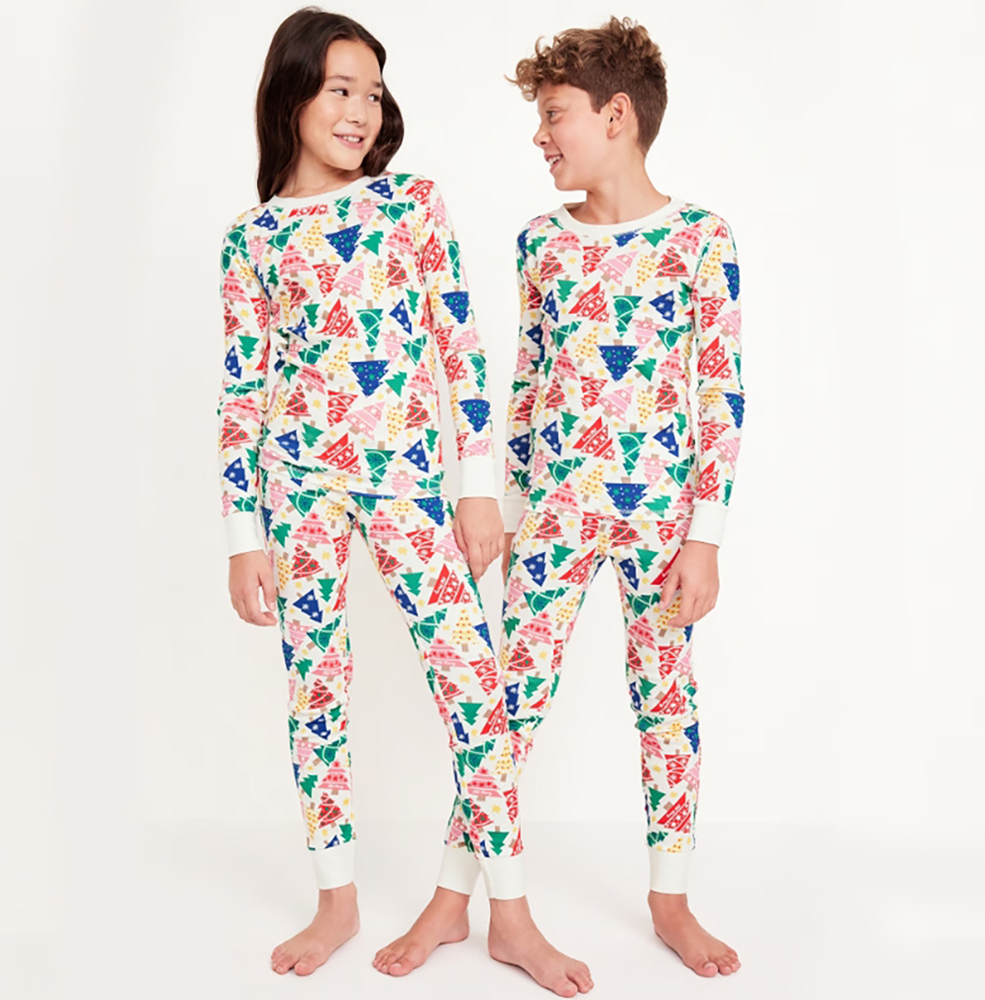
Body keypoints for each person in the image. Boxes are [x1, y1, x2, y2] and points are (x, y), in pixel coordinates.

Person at [382, 15, 744, 983]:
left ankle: (670, 899)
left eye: (553, 115)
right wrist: (500, 505)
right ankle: (454, 896)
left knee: (664, 697)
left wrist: (705, 535)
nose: (538, 136)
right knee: (505, 705)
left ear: (615, 115)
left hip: (662, 519)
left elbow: (720, 394)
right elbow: (529, 384)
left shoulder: (699, 240)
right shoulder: (540, 243)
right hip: (551, 513)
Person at [217, 6, 531, 978]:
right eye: (339, 89)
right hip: (296, 489)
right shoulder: (251, 240)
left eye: (373, 93)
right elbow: (242, 391)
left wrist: (476, 487)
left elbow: (459, 345)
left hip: (406, 482)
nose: (360, 110)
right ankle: (336, 900)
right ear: (291, 95)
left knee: (472, 679)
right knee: (316, 688)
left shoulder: (410, 205)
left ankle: (510, 909)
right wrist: (242, 533)